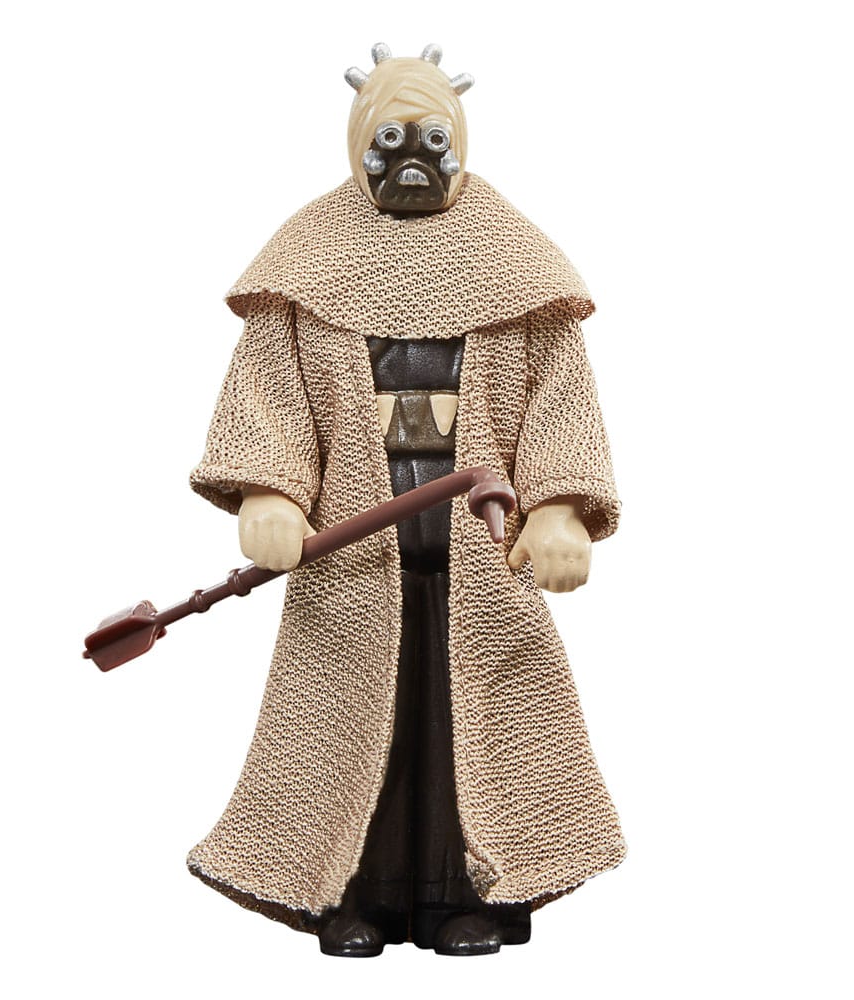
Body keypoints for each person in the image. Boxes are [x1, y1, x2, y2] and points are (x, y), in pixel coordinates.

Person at [188, 44, 624, 956]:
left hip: (483, 560)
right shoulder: (306, 264)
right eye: (390, 141)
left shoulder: (517, 266)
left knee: (482, 737)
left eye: (432, 139)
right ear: (359, 144)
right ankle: (353, 895)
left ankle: (472, 897)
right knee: (343, 731)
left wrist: (558, 508)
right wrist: (270, 490)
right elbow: (269, 391)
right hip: (351, 563)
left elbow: (559, 399)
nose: (412, 160)